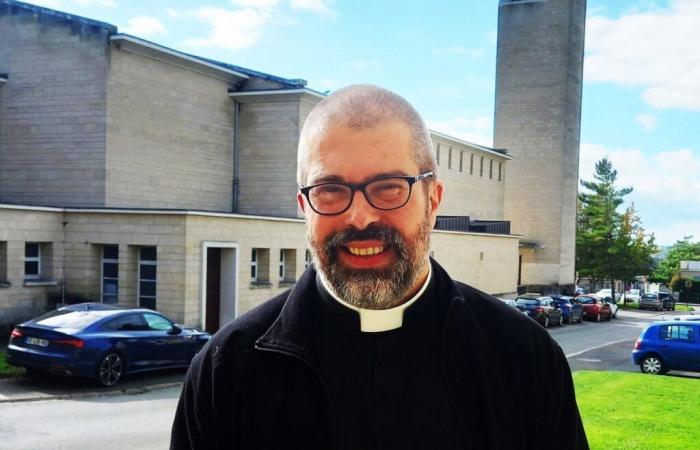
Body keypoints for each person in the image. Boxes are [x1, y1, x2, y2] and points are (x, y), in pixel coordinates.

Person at [171, 85, 588, 449]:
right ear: (303, 208)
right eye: (330, 190)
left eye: (388, 188)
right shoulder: (226, 369)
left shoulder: (522, 358)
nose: (360, 217)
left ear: (433, 199)